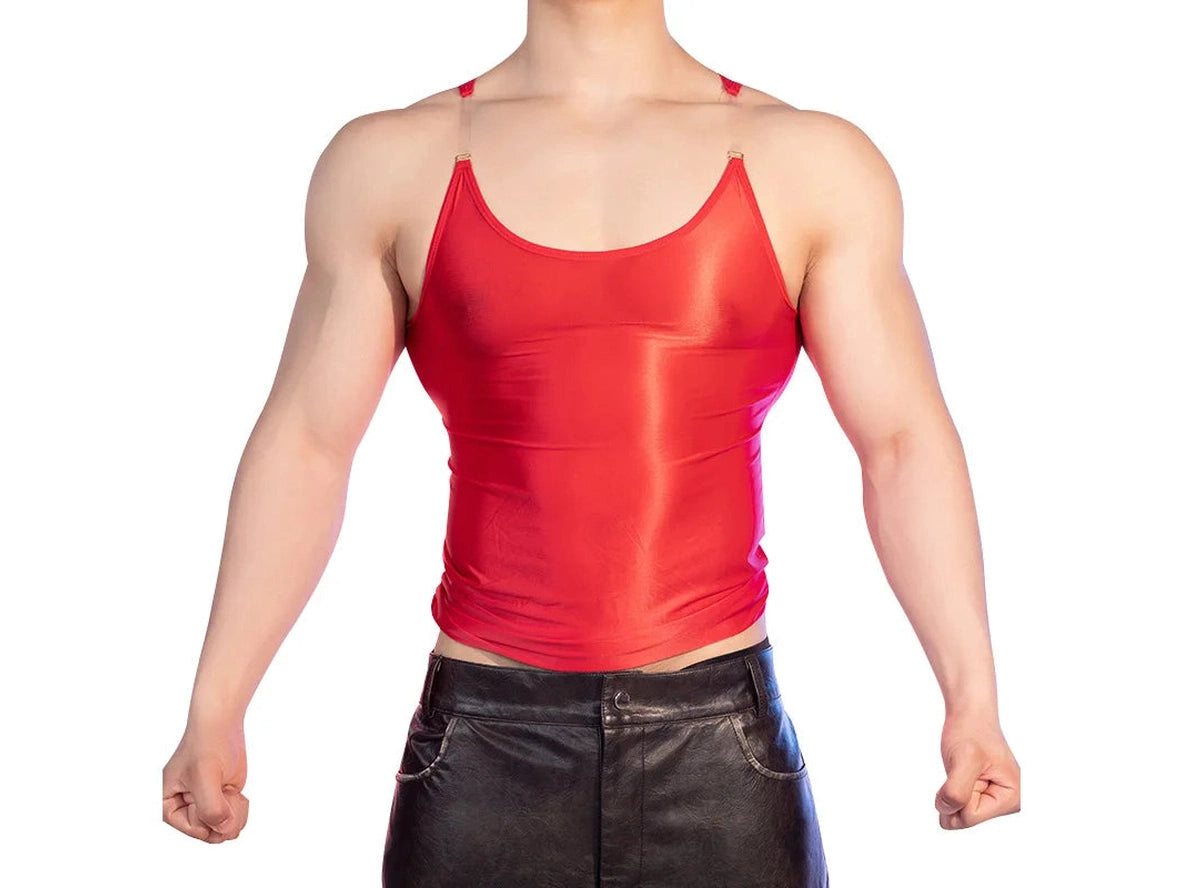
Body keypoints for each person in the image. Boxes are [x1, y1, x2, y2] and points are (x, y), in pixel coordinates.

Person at [162, 2, 1021, 884]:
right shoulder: (393, 161)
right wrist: (215, 706)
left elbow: (901, 443)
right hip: (484, 744)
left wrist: (973, 700)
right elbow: (308, 443)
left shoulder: (809, 162)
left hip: (719, 742)